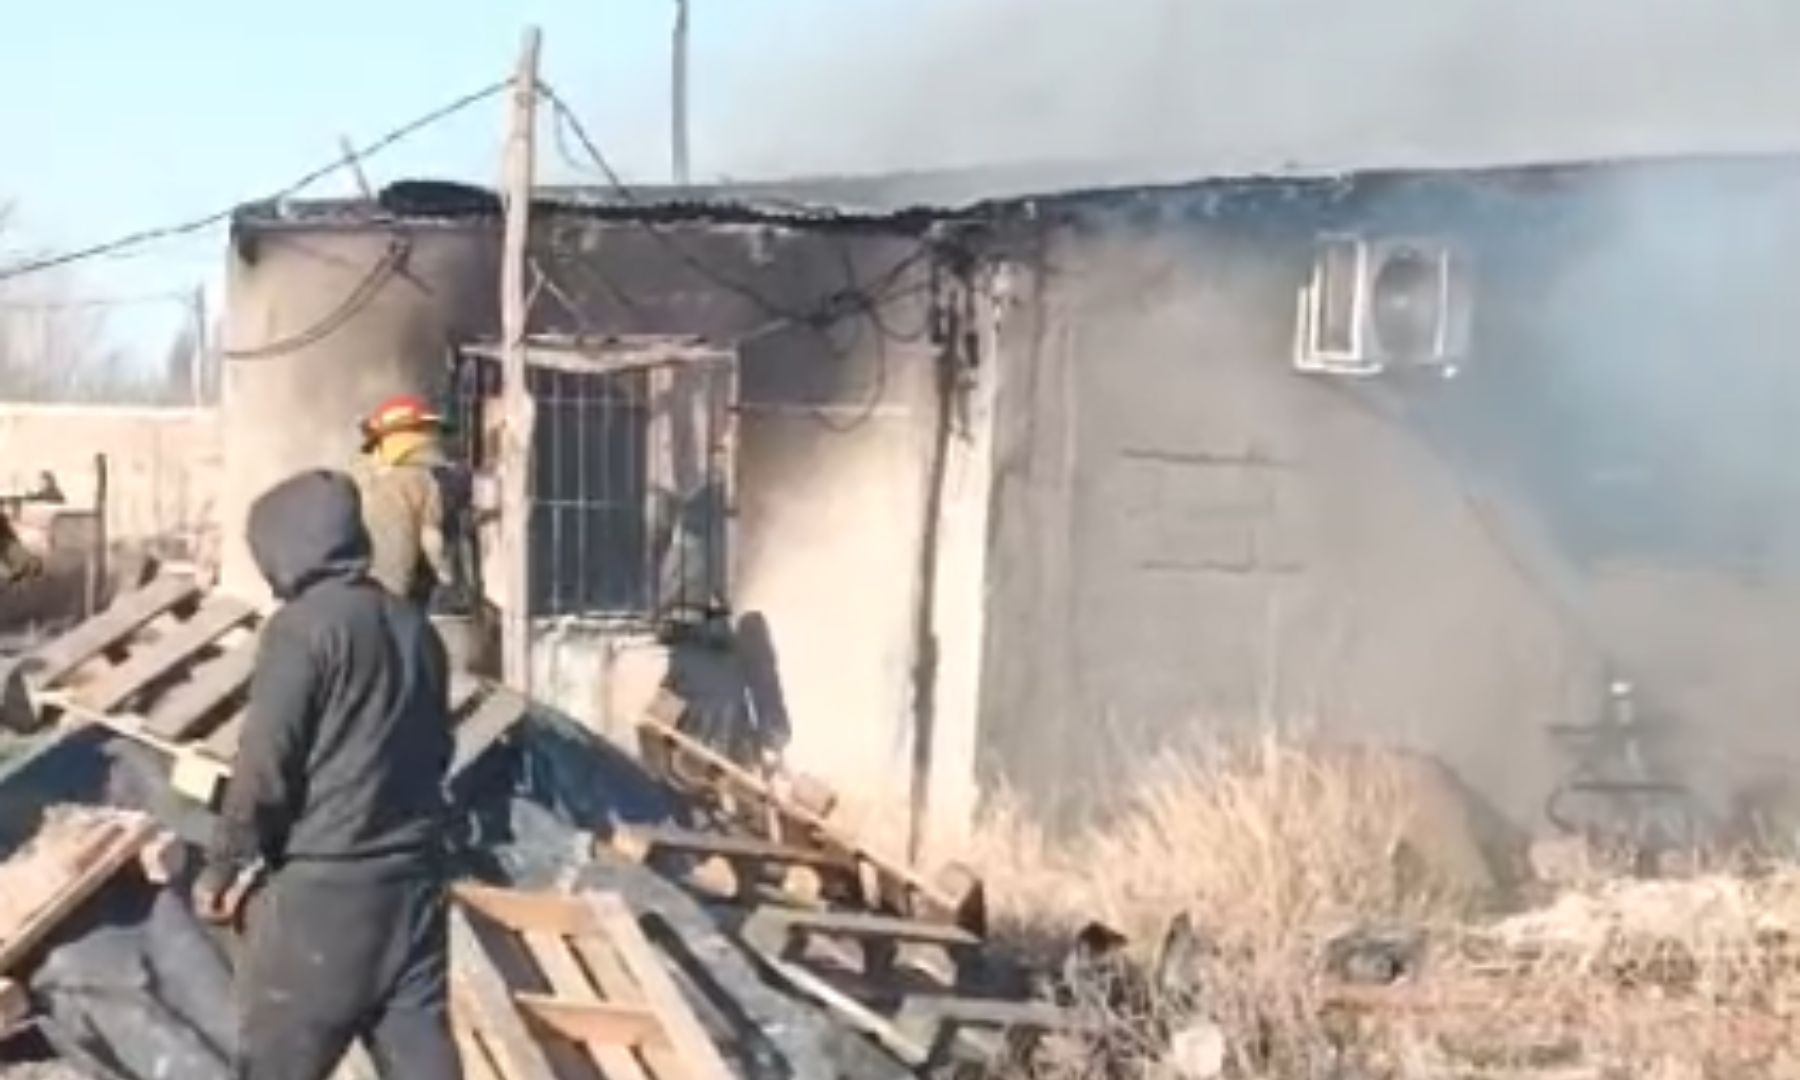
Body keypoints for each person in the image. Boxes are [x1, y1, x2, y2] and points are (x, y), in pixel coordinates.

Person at [193, 469, 461, 1080]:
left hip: (324, 898)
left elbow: (266, 765)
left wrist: (224, 865)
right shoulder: (415, 629)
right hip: (412, 891)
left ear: (284, 547)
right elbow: (438, 752)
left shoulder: (301, 629)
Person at [349, 394, 459, 606]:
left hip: (359, 582)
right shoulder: (423, 481)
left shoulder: (366, 476)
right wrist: (446, 574)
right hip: (397, 589)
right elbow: (431, 537)